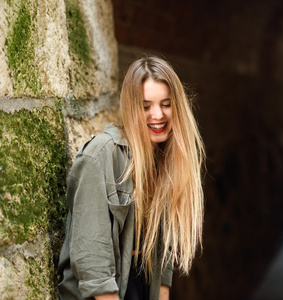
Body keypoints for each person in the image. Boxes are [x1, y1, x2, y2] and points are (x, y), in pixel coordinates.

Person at [58, 56, 205, 300]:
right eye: (146, 106)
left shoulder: (165, 160)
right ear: (130, 107)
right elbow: (94, 267)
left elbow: (163, 256)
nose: (157, 115)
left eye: (166, 104)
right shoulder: (99, 157)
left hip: (141, 286)